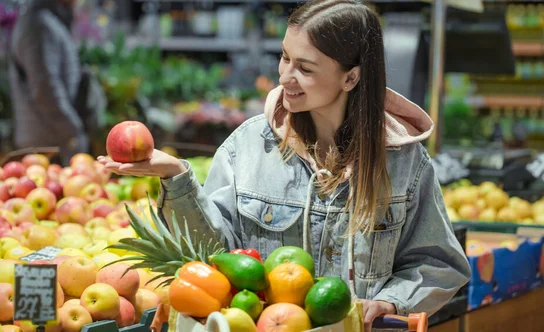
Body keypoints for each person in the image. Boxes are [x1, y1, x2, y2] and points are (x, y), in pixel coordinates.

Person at [100, 0, 471, 330]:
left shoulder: (403, 161)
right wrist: (176, 176)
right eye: (284, 57)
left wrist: (392, 300)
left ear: (351, 77)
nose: (285, 77)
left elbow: (438, 261)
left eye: (305, 68)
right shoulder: (248, 147)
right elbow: (216, 256)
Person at [8, 0, 89, 164]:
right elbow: (45, 90)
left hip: (51, 139)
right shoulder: (38, 25)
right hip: (46, 145)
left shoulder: (46, 20)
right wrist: (72, 133)